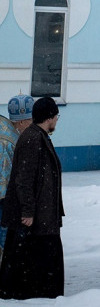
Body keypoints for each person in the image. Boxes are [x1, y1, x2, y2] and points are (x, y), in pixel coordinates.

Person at [0, 96, 64, 300]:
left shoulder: (38, 136)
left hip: (43, 215)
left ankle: (38, 294)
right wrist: (28, 211)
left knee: (33, 260)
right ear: (49, 117)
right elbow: (23, 179)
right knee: (29, 261)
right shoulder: (32, 139)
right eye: (56, 116)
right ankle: (33, 297)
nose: (57, 120)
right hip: (36, 217)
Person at [0, 94, 34, 257]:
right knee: (5, 242)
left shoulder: (8, 130)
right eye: (31, 121)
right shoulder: (10, 137)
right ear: (21, 121)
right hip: (5, 200)